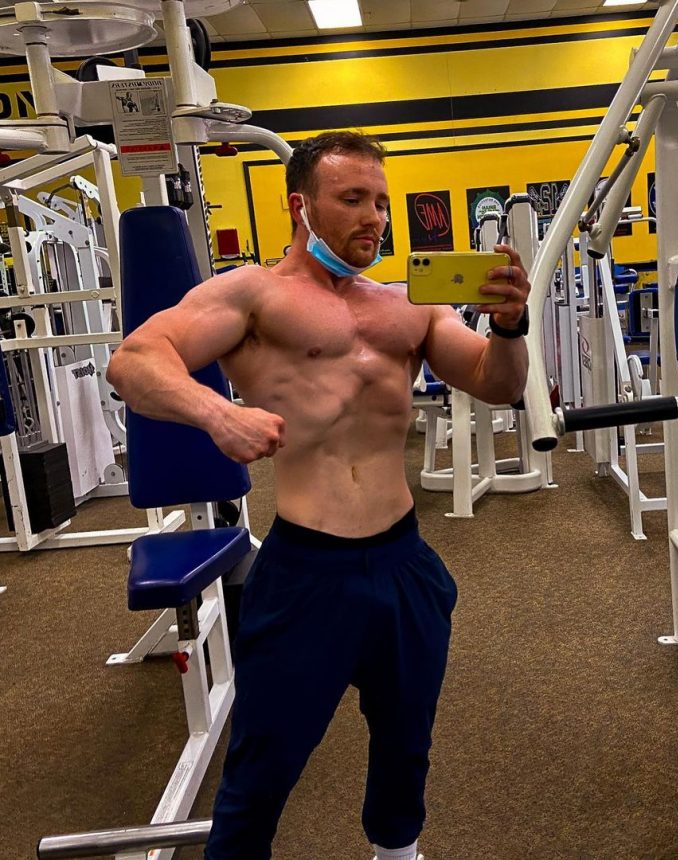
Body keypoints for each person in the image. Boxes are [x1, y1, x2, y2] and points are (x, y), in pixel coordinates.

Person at [107, 130, 531, 860]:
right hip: (306, 573)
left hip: (404, 563)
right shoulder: (253, 294)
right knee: (264, 764)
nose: (375, 217)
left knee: (406, 744)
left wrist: (511, 325)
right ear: (300, 206)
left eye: (382, 202)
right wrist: (218, 413)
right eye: (353, 199)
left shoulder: (411, 304)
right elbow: (134, 360)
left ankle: (397, 854)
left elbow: (498, 382)